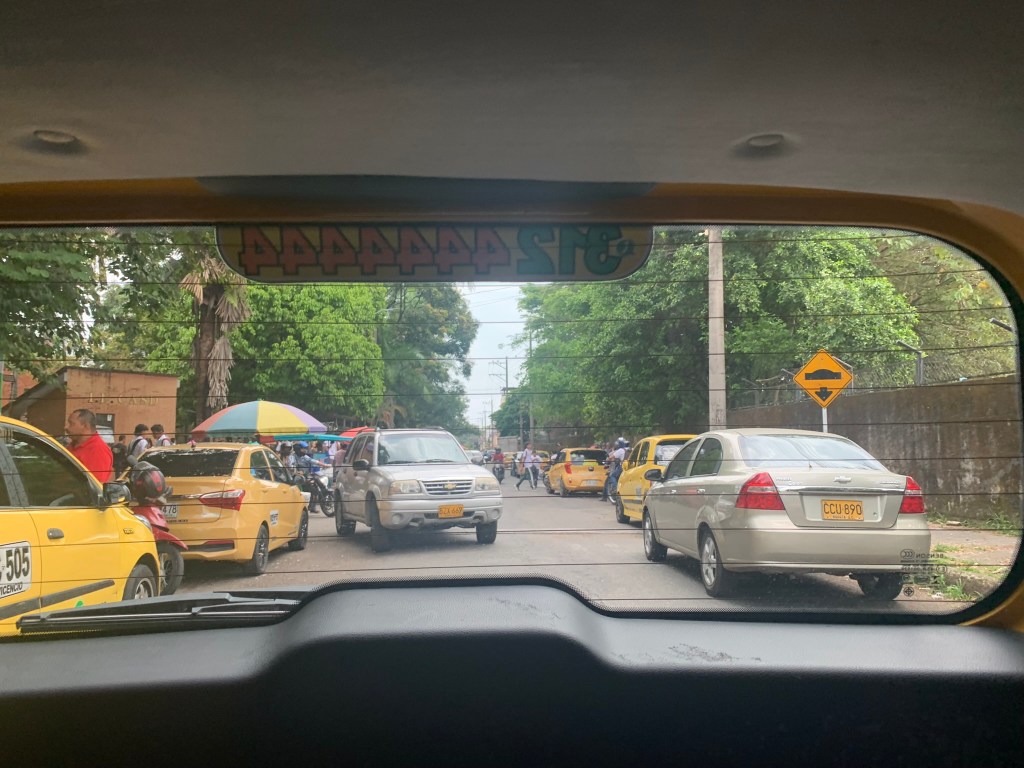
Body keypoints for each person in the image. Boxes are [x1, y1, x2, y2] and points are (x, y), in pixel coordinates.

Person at [66, 408, 114, 483]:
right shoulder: (73, 445)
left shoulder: (98, 451)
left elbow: (93, 485)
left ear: (86, 426)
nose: (66, 427)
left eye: (71, 423)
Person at [602, 438, 628, 502]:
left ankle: (615, 489)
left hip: (622, 467)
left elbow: (611, 457)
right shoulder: (628, 450)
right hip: (629, 467)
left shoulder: (620, 450)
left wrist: (607, 459)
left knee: (612, 476)